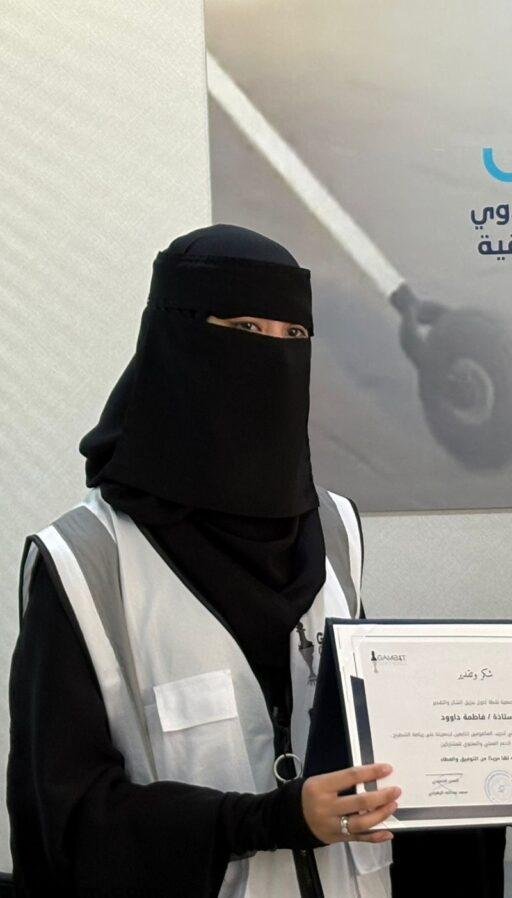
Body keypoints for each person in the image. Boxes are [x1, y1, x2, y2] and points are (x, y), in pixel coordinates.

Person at [8, 225, 398, 897]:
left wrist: (502, 801)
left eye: (293, 335)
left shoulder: (335, 529)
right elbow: (65, 819)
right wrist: (263, 821)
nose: (272, 355)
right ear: (176, 341)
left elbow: (380, 742)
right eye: (245, 328)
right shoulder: (85, 564)